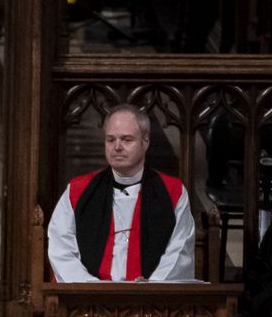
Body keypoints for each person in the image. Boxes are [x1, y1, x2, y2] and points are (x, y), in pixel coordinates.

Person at [47, 103, 197, 282]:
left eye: (126, 139)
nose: (117, 147)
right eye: (110, 140)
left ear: (145, 141)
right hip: (89, 301)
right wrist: (90, 287)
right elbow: (60, 248)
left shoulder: (173, 192)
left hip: (152, 302)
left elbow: (179, 251)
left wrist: (152, 286)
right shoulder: (78, 191)